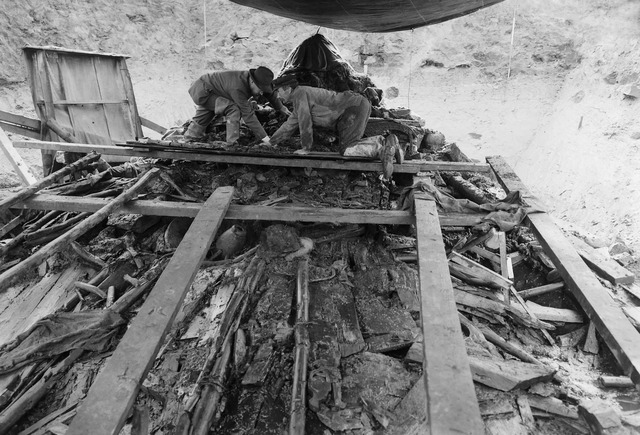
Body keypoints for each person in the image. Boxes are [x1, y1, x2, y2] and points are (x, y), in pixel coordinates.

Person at [268, 79, 401, 178]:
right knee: (351, 145)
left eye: (278, 92)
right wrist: (271, 142)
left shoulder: (300, 94)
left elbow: (305, 122)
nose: (278, 96)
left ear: (288, 89)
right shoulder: (301, 97)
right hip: (357, 104)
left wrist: (306, 148)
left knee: (347, 149)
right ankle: (386, 141)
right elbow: (289, 124)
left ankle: (383, 150)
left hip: (351, 108)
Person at [184, 66, 291, 144]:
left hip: (211, 90)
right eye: (260, 89)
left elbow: (269, 93)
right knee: (233, 108)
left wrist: (280, 107)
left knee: (211, 109)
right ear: (253, 82)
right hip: (202, 91)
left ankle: (190, 137)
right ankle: (232, 144)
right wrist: (266, 139)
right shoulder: (238, 88)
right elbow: (248, 115)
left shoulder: (253, 80)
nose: (261, 93)